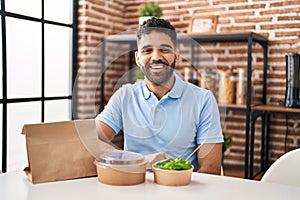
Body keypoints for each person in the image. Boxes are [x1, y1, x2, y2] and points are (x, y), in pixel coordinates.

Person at [95, 17, 224, 175]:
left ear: (176, 56)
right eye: (147, 50)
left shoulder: (203, 100)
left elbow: (211, 169)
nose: (156, 57)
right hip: (133, 187)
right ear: (138, 58)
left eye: (164, 49)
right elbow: (88, 141)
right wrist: (142, 160)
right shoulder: (124, 96)